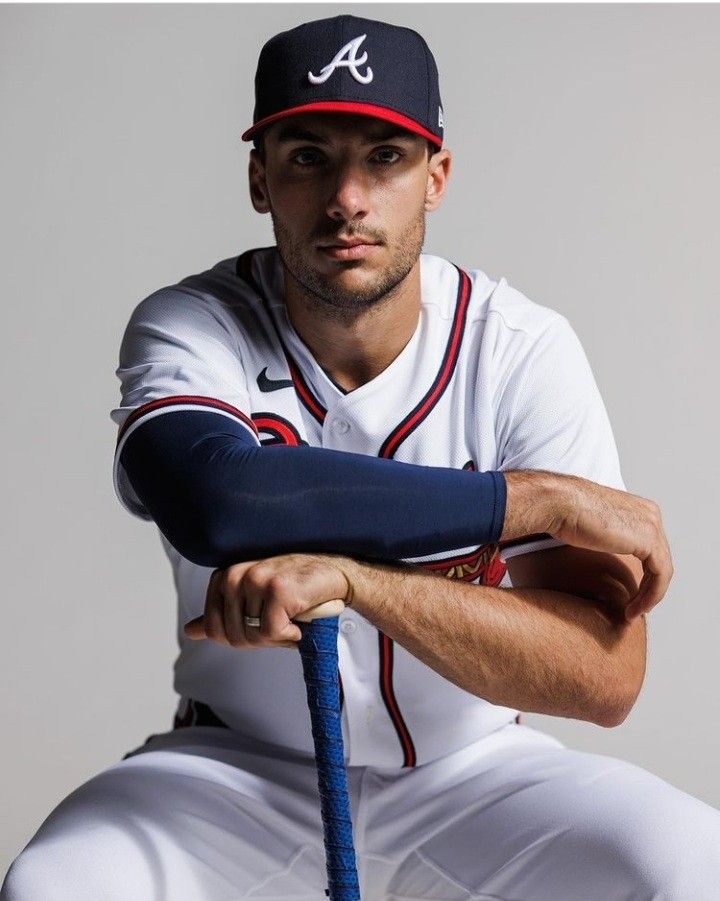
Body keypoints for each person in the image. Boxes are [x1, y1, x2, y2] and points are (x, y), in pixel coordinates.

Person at [3, 13, 718, 901]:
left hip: (477, 775)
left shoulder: (521, 348)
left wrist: (355, 581)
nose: (348, 196)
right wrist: (528, 501)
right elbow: (225, 502)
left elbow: (607, 673)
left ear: (436, 177)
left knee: (695, 865)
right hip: (235, 774)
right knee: (54, 886)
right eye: (309, 156)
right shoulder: (191, 326)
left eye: (385, 157)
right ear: (260, 177)